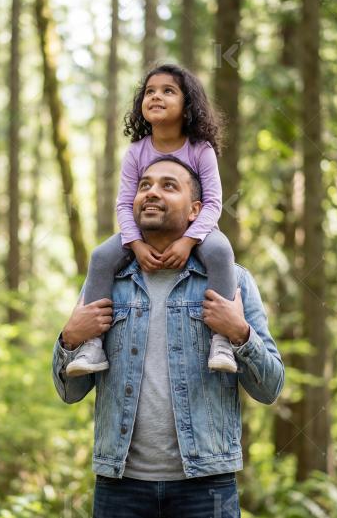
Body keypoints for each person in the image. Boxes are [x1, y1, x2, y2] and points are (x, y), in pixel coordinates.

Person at [51, 158, 285, 517]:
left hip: (207, 485)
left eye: (168, 185)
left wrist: (239, 332)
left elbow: (270, 388)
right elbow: (70, 393)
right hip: (120, 487)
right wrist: (69, 339)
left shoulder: (232, 281)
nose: (151, 193)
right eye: (144, 185)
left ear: (196, 211)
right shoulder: (105, 282)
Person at [66, 63, 239, 377]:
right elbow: (124, 204)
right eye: (150, 92)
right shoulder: (136, 152)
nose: (156, 97)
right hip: (140, 234)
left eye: (167, 91)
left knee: (220, 252)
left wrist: (190, 240)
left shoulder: (201, 150)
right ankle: (91, 345)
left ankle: (223, 340)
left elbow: (213, 203)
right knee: (101, 256)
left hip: (198, 229)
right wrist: (135, 244)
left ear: (188, 105)